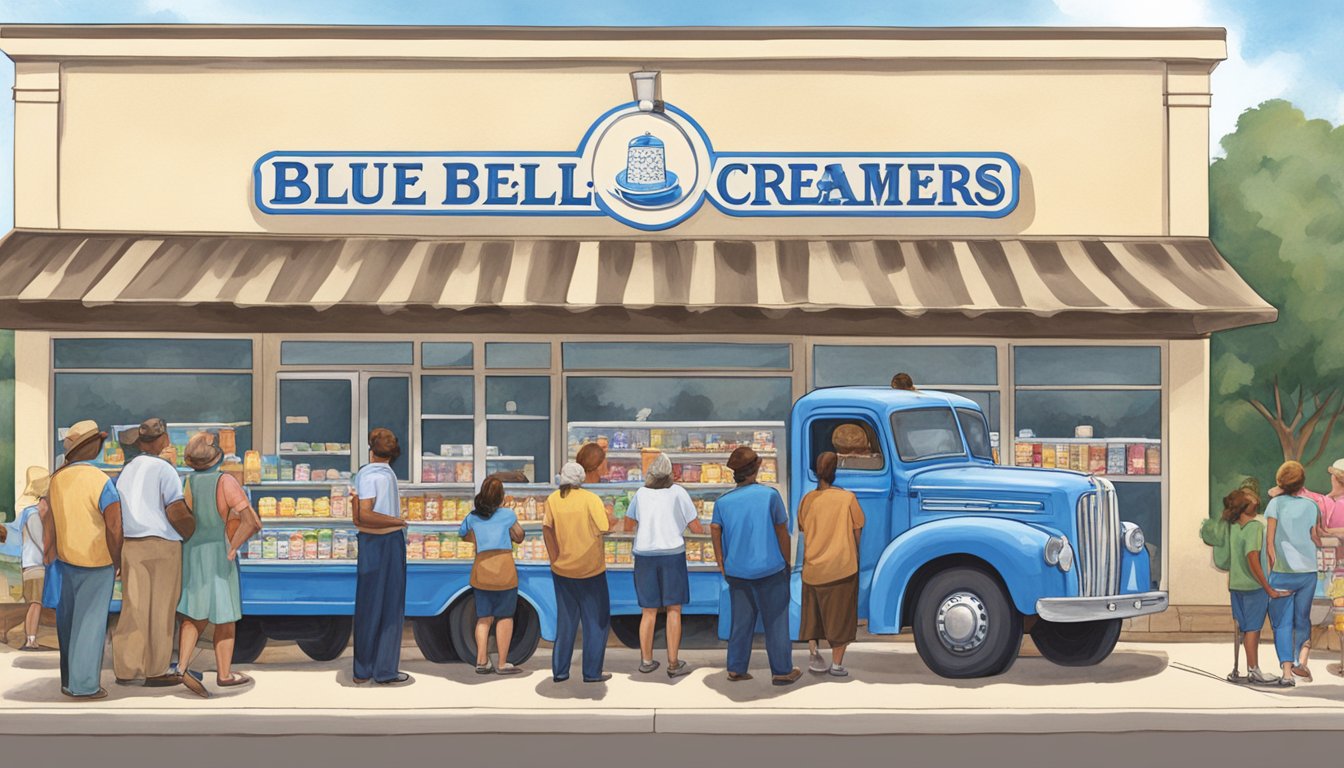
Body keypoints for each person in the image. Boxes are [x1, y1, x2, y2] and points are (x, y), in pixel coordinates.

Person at [175, 433, 263, 698]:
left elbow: (185, 518)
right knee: (225, 616)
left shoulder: (187, 482)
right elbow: (252, 522)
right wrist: (235, 545)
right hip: (219, 551)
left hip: (192, 551)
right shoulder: (226, 481)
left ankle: (181, 667)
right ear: (217, 457)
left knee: (193, 613)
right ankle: (224, 674)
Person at [112, 417, 195, 686]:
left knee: (133, 608)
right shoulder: (165, 469)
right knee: (161, 610)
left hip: (131, 545)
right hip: (162, 546)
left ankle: (126, 669)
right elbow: (176, 511)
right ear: (163, 440)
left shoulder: (127, 471)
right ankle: (156, 670)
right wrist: (191, 529)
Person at [46, 420, 123, 699]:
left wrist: (50, 554)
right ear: (93, 447)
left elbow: (50, 521)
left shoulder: (56, 479)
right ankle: (84, 685)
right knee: (90, 624)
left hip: (65, 561)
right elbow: (114, 527)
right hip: (97, 561)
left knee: (67, 622)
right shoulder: (102, 481)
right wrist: (118, 560)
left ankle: (68, 679)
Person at [711, 446, 801, 685]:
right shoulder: (770, 496)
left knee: (741, 621)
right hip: (770, 568)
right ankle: (782, 671)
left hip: (737, 571)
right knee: (776, 620)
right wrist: (787, 561)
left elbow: (715, 529)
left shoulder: (723, 502)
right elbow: (782, 530)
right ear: (756, 468)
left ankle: (736, 668)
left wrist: (721, 562)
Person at [628, 452, 704, 677]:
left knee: (648, 611)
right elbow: (696, 527)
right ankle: (673, 662)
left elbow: (628, 522)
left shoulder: (640, 494)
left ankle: (646, 660)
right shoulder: (679, 492)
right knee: (674, 609)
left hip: (644, 555)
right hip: (672, 554)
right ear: (671, 474)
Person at [543, 461, 614, 683]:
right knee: (596, 623)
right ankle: (592, 672)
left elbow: (547, 529)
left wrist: (554, 558)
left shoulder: (553, 500)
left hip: (562, 570)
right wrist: (609, 514)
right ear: (581, 479)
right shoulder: (591, 499)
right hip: (591, 569)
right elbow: (604, 527)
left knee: (566, 622)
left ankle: (560, 671)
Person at [351, 428, 411, 686]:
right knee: (390, 608)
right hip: (388, 542)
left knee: (367, 606)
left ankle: (362, 670)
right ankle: (385, 670)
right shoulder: (383, 475)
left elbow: (359, 518)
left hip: (369, 543)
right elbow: (367, 514)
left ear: (370, 450)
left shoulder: (365, 473)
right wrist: (399, 521)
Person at [798, 452, 865, 677]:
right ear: (835, 471)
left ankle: (814, 654)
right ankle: (837, 664)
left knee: (813, 617)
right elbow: (858, 527)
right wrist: (857, 553)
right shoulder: (847, 498)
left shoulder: (807, 500)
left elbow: (802, 527)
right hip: (841, 568)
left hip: (813, 569)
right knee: (841, 619)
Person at [460, 475, 526, 675]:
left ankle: (482, 660)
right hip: (503, 569)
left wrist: (478, 541)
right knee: (505, 616)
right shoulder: (508, 514)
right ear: (501, 497)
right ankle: (503, 663)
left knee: (483, 617)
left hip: (482, 568)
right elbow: (520, 536)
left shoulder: (472, 516)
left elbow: (462, 534)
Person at [1264, 460, 1322, 685]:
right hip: (1308, 571)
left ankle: (1287, 673)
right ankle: (1302, 662)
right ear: (1302, 482)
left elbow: (1270, 544)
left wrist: (1271, 573)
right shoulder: (1311, 506)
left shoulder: (1275, 504)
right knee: (1302, 618)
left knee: (1282, 623)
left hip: (1282, 571)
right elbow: (1315, 536)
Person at [1220, 487, 1283, 684]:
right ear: (1246, 508)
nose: (1257, 502)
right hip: (1254, 586)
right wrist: (1267, 587)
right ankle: (1254, 670)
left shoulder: (1234, 527)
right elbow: (1252, 558)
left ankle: (1239, 668)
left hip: (1236, 585)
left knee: (1242, 628)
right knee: (1253, 629)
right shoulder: (1255, 527)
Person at [17, 467, 52, 651]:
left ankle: (30, 638)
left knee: (33, 603)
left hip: (27, 564)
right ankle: (31, 639)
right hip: (37, 565)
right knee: (36, 604)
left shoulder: (27, 513)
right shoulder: (35, 515)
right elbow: (41, 541)